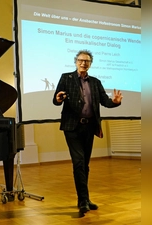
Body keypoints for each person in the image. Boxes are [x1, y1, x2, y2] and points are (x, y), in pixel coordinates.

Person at [52, 50, 123, 215]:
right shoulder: (66, 78)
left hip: (89, 127)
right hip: (72, 127)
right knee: (78, 163)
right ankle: (83, 200)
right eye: (81, 60)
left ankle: (83, 198)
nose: (84, 63)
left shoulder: (95, 82)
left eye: (87, 61)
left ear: (91, 64)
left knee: (84, 164)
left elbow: (105, 101)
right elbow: (56, 99)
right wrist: (58, 98)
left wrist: (115, 102)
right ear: (75, 61)